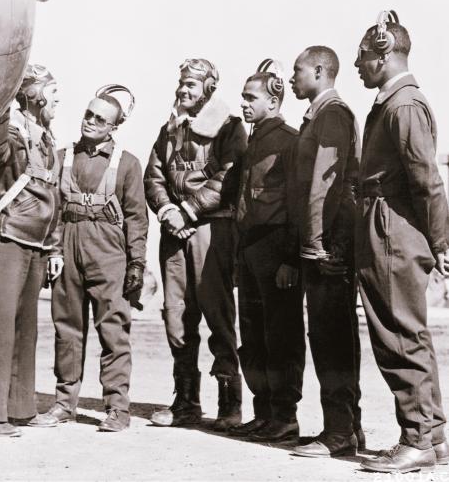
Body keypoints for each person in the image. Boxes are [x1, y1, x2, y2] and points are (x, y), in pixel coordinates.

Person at [354, 11, 448, 473]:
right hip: (390, 222)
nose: (358, 65)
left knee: (398, 334)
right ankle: (433, 436)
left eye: (364, 57)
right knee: (409, 332)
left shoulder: (403, 104)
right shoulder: (395, 102)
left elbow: (427, 180)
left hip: (392, 225)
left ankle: (416, 439)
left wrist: (441, 241)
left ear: (385, 52)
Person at [29, 85, 148, 433]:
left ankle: (117, 409)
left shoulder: (127, 163)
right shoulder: (63, 155)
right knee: (66, 329)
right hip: (67, 246)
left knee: (113, 330)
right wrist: (52, 251)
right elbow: (51, 210)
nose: (91, 122)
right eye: (88, 115)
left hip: (109, 250)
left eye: (101, 119)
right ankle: (65, 404)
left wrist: (136, 262)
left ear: (114, 126)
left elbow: (137, 217)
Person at [144, 58, 248, 430]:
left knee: (218, 314)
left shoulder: (230, 127)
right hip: (174, 232)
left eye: (191, 84)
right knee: (176, 315)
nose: (183, 90)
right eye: (181, 82)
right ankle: (185, 401)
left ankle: (229, 403)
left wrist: (188, 209)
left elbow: (229, 177)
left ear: (209, 88)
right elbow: (153, 174)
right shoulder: (169, 129)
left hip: (212, 231)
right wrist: (168, 209)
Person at [0, 64, 62, 437]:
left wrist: (54, 247)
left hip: (36, 243)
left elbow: (53, 196)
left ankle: (22, 409)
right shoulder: (11, 131)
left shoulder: (47, 138)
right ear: (36, 97)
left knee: (26, 330)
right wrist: (2, 100)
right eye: (54, 95)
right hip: (7, 238)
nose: (57, 103)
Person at [287, 46, 364, 458]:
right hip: (328, 240)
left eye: (297, 70)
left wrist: (315, 244)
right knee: (333, 334)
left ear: (319, 71)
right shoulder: (322, 114)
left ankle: (340, 432)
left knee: (330, 335)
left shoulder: (331, 114)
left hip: (330, 243)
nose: (291, 78)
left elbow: (323, 184)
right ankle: (349, 428)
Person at [227, 60, 305, 444]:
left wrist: (291, 258)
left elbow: (297, 205)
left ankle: (285, 416)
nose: (244, 103)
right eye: (243, 96)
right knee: (253, 335)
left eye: (250, 97)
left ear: (274, 102)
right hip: (251, 248)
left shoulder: (290, 141)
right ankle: (264, 413)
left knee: (281, 335)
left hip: (277, 250)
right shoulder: (253, 140)